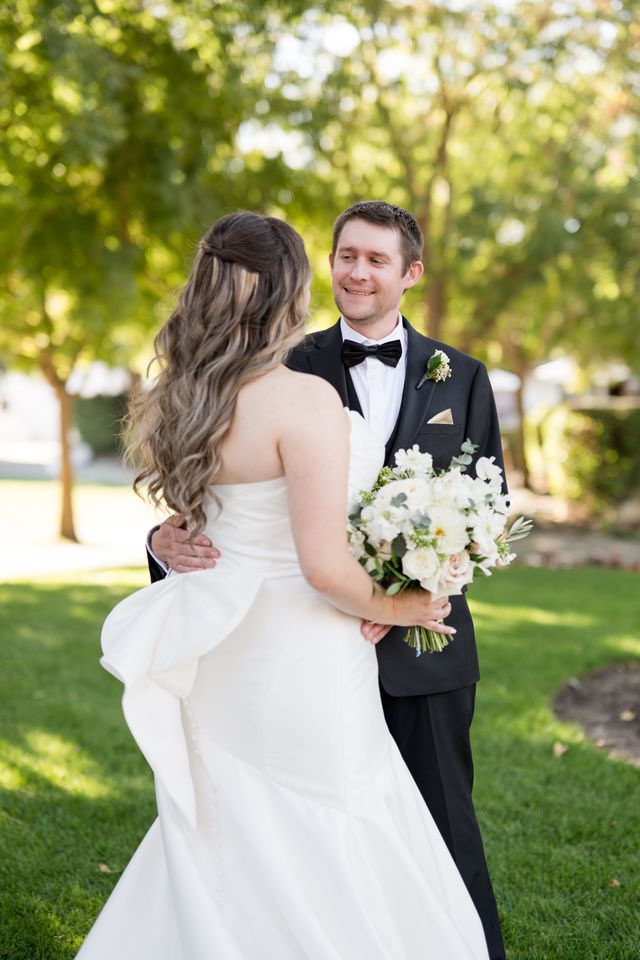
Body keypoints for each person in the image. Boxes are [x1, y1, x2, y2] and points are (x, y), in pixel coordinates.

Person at [77, 210, 489, 958]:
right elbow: (323, 567)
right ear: (295, 288)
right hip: (309, 656)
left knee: (230, 837)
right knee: (331, 836)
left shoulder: (181, 396)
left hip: (227, 656)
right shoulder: (302, 398)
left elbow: (212, 518)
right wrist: (404, 603)